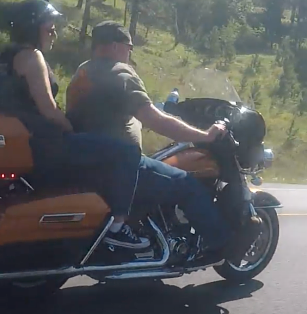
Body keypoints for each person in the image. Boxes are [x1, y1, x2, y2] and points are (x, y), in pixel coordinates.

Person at [65, 20, 259, 263]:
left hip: (89, 158)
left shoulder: (84, 71)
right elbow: (155, 120)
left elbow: (112, 109)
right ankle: (224, 247)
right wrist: (205, 135)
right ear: (115, 46)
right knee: (187, 184)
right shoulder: (120, 73)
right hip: (119, 165)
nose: (130, 52)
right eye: (129, 46)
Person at [0, 0, 151, 249]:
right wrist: (71, 128)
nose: (54, 32)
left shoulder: (7, 56)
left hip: (26, 139)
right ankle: (118, 226)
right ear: (33, 28)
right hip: (45, 142)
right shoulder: (32, 57)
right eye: (49, 26)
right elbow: (49, 110)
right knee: (126, 152)